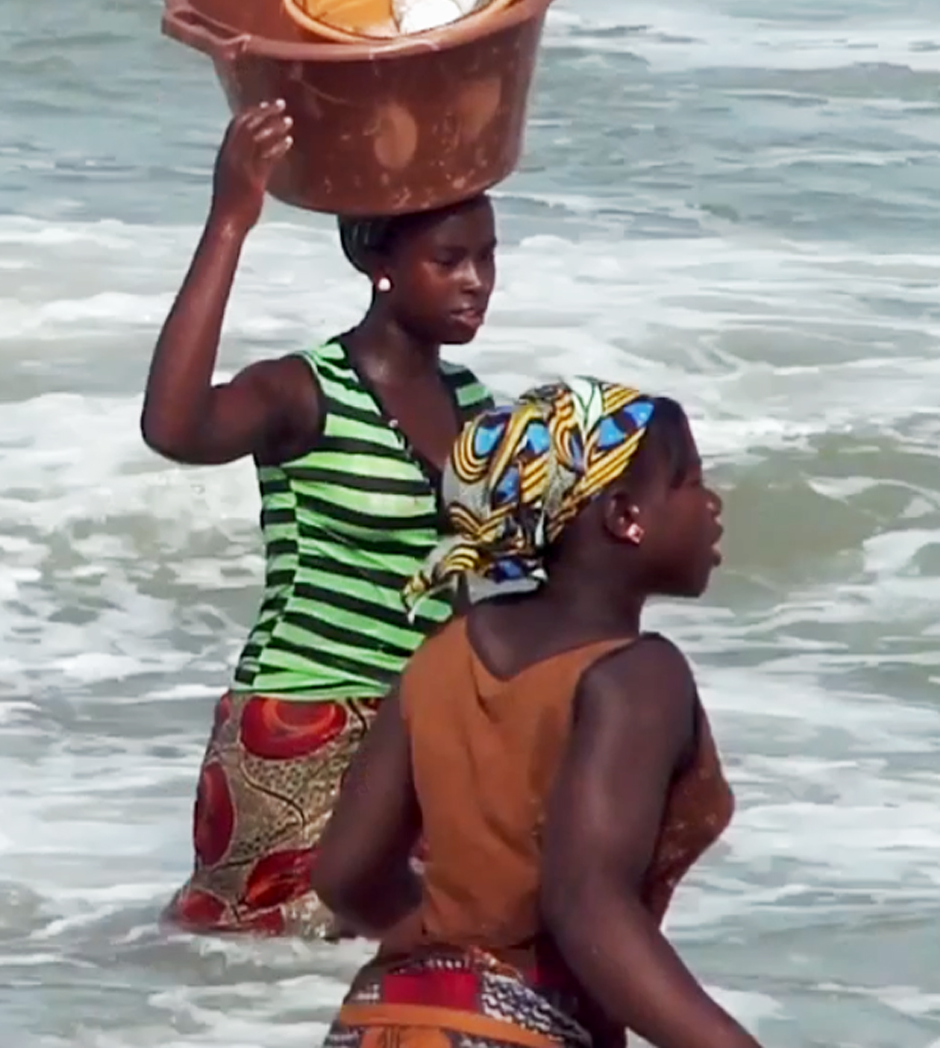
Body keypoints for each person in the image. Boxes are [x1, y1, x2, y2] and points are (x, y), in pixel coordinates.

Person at [140, 97, 500, 938]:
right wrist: (231, 220)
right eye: (449, 259)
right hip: (299, 727)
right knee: (246, 983)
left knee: (394, 978)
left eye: (488, 256)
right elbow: (173, 426)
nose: (477, 280)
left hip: (422, 741)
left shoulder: (478, 409)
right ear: (380, 263)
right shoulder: (305, 393)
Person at [307, 379, 750, 1048]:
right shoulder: (637, 676)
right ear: (624, 516)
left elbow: (346, 874)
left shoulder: (445, 653)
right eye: (688, 482)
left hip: (379, 1020)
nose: (711, 505)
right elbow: (585, 904)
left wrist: (452, 949)